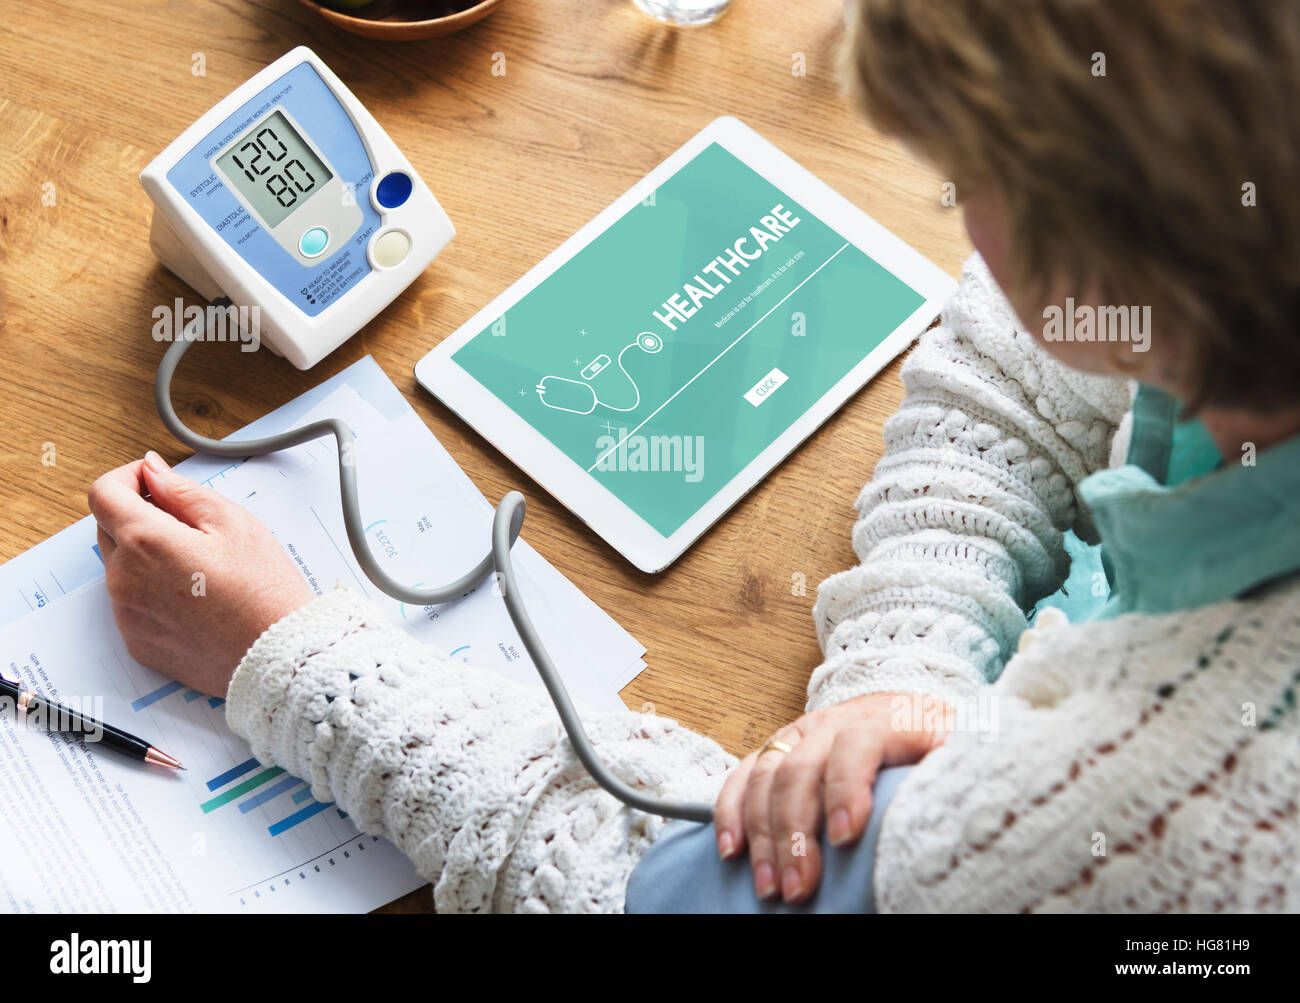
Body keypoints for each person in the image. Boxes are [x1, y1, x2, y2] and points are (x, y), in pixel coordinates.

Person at [90, 0, 1300, 912]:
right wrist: (900, 679)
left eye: (967, 179)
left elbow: (661, 891)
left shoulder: (1165, 816)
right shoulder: (1223, 247)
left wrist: (291, 660)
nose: (966, 223)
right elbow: (1020, 363)